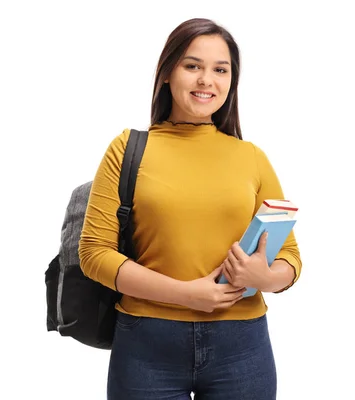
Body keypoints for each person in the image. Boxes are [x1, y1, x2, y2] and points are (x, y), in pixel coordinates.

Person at [79, 17, 302, 400]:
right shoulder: (128, 149)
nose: (206, 80)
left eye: (220, 69)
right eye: (192, 65)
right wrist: (186, 294)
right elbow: (93, 254)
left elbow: (291, 258)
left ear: (232, 81)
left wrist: (265, 277)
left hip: (242, 347)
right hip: (147, 343)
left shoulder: (252, 158)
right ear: (167, 73)